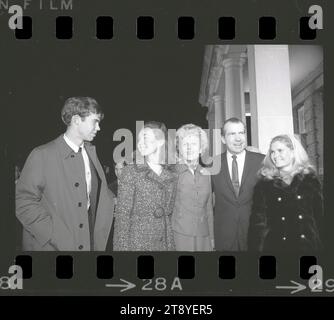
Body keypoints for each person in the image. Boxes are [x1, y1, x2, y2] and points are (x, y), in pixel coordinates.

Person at [16, 97, 114, 251]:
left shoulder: (90, 153)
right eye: (95, 121)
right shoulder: (42, 154)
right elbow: (23, 201)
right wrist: (53, 234)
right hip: (49, 248)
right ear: (76, 120)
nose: (99, 128)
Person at [248, 134, 323, 251]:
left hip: (308, 247)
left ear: (293, 152)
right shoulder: (264, 185)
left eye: (280, 150)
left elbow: (320, 218)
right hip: (277, 248)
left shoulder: (310, 180)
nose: (275, 156)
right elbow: (257, 225)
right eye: (272, 152)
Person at [113, 121, 178, 251]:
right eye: (139, 139)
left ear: (160, 141)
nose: (140, 142)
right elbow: (122, 216)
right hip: (137, 244)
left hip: (165, 243)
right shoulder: (131, 171)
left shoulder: (172, 174)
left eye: (146, 138)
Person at [211, 117, 265, 251]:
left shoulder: (262, 161)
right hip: (224, 236)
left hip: (256, 235)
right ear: (223, 139)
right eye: (232, 134)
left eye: (241, 133)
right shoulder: (212, 164)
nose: (238, 138)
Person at [172, 124, 214, 251]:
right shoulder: (171, 173)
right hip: (179, 236)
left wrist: (212, 237)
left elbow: (209, 210)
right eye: (185, 144)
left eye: (194, 144)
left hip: (204, 236)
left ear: (201, 149)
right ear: (179, 149)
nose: (189, 148)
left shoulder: (207, 174)